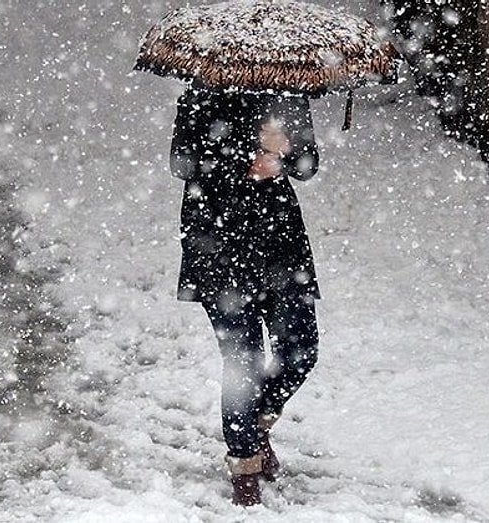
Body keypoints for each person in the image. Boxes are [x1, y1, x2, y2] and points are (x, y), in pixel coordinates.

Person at [170, 83, 320, 506]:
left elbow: (308, 165)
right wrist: (247, 155)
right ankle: (244, 468)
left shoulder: (287, 92)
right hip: (218, 243)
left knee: (301, 349)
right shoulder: (201, 94)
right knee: (244, 362)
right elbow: (182, 163)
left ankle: (254, 426)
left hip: (280, 245)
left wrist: (285, 153)